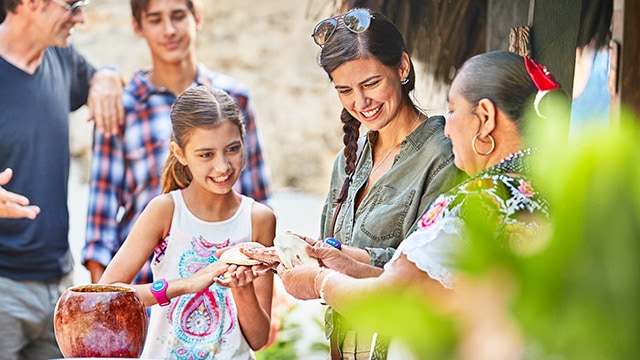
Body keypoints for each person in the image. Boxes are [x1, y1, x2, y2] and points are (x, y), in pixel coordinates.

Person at [247, 50, 553, 359]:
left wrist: (317, 282)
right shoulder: (540, 195)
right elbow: (428, 288)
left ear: (485, 118)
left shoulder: (479, 200)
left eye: (452, 110)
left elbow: (393, 297)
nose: (447, 128)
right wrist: (347, 265)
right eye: (345, 90)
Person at [301, 8, 463, 358]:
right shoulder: (349, 159)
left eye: (371, 83)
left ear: (402, 67)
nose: (360, 102)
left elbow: (429, 272)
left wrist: (330, 270)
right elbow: (330, 257)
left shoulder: (443, 157)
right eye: (345, 90)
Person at [82, 0, 273, 285]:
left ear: (197, 18)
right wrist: (105, 308)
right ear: (138, 26)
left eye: (178, 16)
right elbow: (101, 221)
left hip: (230, 286)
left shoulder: (233, 98)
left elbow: (259, 196)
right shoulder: (122, 107)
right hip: (144, 291)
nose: (169, 30)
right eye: (156, 19)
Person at [99, 85, 276, 359]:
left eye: (232, 149)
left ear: (244, 141)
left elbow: (258, 339)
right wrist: (185, 285)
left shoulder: (259, 219)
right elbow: (105, 295)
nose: (223, 167)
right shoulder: (166, 211)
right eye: (206, 154)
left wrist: (242, 290)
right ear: (179, 153)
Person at [0, 0, 126, 358]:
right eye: (72, 5)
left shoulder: (62, 59)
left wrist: (107, 75)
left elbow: (107, 77)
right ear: (30, 3)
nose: (80, 17)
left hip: (59, 286)